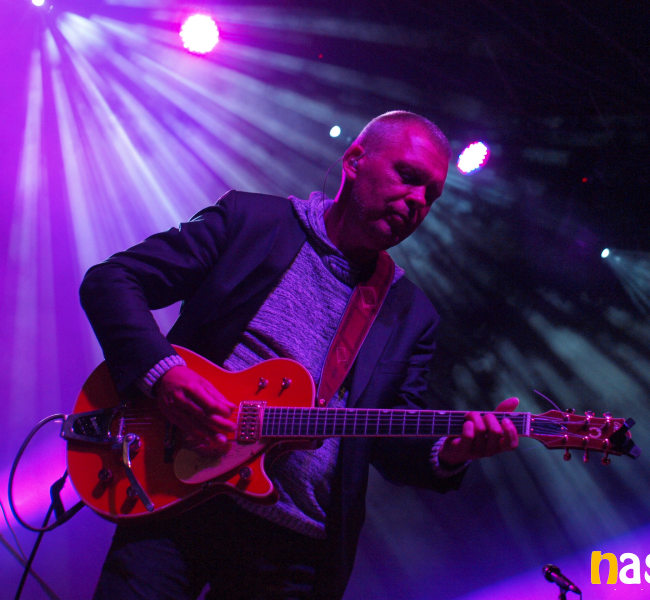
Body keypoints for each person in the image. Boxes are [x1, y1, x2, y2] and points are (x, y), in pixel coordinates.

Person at [80, 111, 520, 600]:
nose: (418, 200)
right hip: (176, 496)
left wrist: (452, 451)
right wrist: (164, 376)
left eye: (431, 195)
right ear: (355, 160)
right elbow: (112, 281)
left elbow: (391, 438)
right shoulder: (252, 221)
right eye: (408, 176)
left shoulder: (410, 313)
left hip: (293, 549)